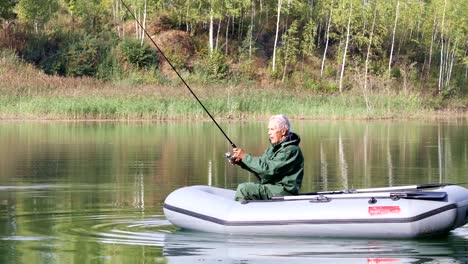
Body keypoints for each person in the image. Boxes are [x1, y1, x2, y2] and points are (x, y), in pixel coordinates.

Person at [231, 114, 304, 201]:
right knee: (245, 188)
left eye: (272, 129)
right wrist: (241, 161)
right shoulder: (272, 149)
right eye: (268, 129)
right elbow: (261, 167)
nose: (269, 133)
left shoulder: (291, 150)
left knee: (244, 189)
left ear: (283, 131)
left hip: (284, 190)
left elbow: (268, 170)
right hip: (272, 187)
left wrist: (245, 157)